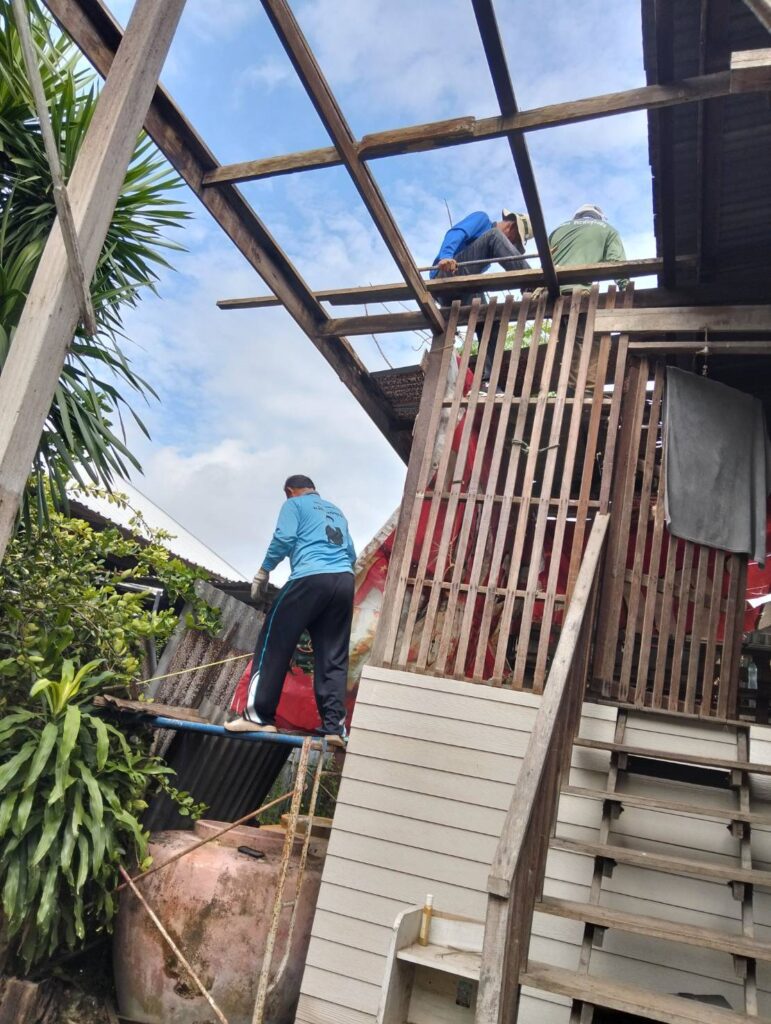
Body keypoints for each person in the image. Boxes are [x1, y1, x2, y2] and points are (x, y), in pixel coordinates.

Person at [225, 475, 356, 744]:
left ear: (289, 491)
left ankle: (258, 717)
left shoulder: (294, 505)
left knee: (274, 641)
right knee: (333, 655)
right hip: (344, 581)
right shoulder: (336, 511)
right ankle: (334, 727)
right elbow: (351, 553)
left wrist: (264, 571)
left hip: (310, 577)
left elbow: (284, 537)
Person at [431, 209, 532, 392]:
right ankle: (532, 280)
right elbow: (456, 232)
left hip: (462, 288)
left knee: (491, 320)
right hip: (447, 274)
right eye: (514, 241)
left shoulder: (485, 251)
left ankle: (487, 383)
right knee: (494, 236)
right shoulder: (483, 221)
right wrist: (446, 256)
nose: (510, 244)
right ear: (511, 227)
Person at [548, 204, 628, 392]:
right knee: (592, 338)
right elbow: (617, 263)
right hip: (581, 294)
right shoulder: (608, 230)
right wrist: (626, 290)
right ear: (599, 217)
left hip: (554, 295)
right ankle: (586, 389)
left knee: (565, 341)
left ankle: (567, 387)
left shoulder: (557, 230)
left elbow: (547, 261)